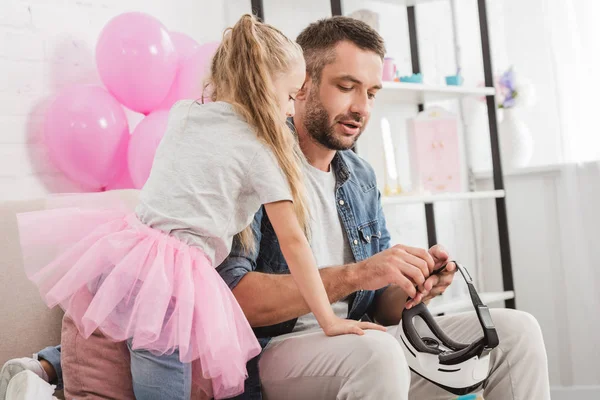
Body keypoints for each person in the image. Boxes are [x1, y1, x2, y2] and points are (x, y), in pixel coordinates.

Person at [3, 15, 551, 400]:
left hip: (355, 342)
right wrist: (357, 274)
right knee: (380, 354)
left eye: (372, 93)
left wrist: (407, 285)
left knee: (518, 330)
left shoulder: (356, 173)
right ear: (301, 85)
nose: (361, 107)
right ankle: (48, 366)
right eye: (345, 86)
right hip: (276, 350)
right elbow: (231, 298)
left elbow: (375, 308)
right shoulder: (252, 159)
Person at [12, 14, 392, 400]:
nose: (291, 111)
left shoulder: (184, 113)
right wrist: (328, 320)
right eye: (289, 97)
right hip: (175, 275)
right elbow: (294, 243)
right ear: (266, 90)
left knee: (117, 334)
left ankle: (45, 374)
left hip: (127, 251)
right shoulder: (262, 151)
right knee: (165, 382)